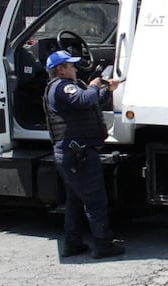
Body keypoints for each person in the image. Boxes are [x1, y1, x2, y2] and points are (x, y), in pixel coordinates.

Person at [43, 50, 125, 259]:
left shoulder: (66, 88)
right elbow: (84, 99)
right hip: (77, 155)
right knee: (95, 201)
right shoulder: (62, 86)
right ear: (61, 69)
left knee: (75, 200)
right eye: (71, 65)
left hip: (73, 154)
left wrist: (107, 90)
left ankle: (73, 244)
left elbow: (91, 103)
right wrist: (95, 85)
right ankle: (103, 245)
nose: (75, 68)